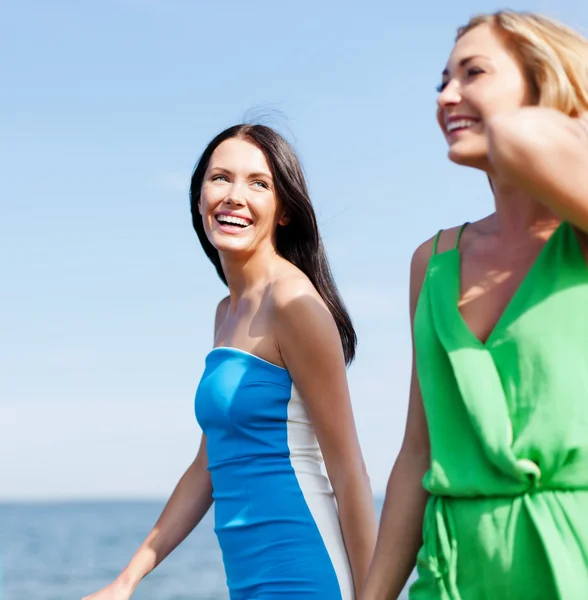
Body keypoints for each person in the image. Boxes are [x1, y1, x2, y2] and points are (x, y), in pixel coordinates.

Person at [83, 124, 377, 600]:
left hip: (303, 570)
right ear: (199, 198)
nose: (235, 196)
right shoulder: (226, 312)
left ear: (283, 211)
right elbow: (208, 465)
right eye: (221, 178)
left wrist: (375, 596)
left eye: (258, 183)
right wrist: (126, 581)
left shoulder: (294, 304)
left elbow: (348, 471)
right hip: (248, 578)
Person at [361, 10, 588, 600]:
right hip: (453, 576)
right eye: (442, 80)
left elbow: (534, 142)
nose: (447, 96)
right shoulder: (430, 261)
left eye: (473, 72)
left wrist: (537, 116)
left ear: (543, 83)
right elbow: (418, 452)